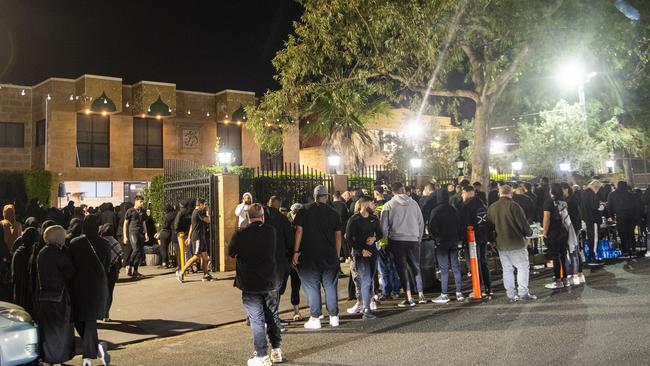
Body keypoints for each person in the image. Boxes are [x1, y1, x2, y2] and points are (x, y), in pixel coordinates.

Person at [229, 203, 283, 366]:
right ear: (263, 216)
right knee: (272, 315)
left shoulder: (240, 234)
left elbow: (232, 252)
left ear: (247, 217)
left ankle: (261, 355)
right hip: (270, 280)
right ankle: (276, 350)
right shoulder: (271, 232)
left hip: (250, 282)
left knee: (257, 319)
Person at [292, 185, 343, 329]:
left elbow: (299, 231)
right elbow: (338, 236)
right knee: (330, 285)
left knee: (312, 286)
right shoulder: (334, 213)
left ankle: (315, 317)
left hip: (308, 255)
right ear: (326, 196)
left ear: (314, 196)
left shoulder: (303, 211)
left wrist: (295, 252)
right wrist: (337, 255)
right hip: (329, 255)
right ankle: (334, 316)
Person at [68, 215, 111, 366]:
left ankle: (89, 355)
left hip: (78, 284)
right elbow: (107, 263)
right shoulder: (105, 243)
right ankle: (95, 349)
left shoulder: (74, 242)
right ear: (98, 226)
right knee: (90, 319)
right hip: (97, 284)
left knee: (80, 318)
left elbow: (70, 264)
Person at [487, 184, 536, 303]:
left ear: (499, 193)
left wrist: (492, 241)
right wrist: (529, 232)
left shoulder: (492, 207)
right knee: (522, 267)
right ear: (511, 192)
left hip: (501, 243)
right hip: (516, 242)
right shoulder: (514, 206)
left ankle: (510, 294)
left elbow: (489, 227)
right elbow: (523, 224)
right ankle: (523, 292)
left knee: (507, 269)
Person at [380, 182, 426, 307]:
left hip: (397, 240)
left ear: (392, 191)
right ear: (402, 189)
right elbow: (421, 223)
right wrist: (418, 238)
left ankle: (409, 297)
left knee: (402, 269)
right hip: (413, 239)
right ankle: (421, 294)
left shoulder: (388, 205)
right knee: (416, 267)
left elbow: (383, 228)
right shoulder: (414, 203)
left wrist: (383, 243)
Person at [36, 225, 76, 366]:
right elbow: (70, 272)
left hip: (44, 295)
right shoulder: (59, 254)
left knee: (48, 329)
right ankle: (58, 358)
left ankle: (48, 357)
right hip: (60, 296)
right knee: (60, 329)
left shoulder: (42, 252)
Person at [345, 198, 381, 319]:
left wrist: (374, 238)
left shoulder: (374, 218)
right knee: (365, 280)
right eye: (371, 203)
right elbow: (348, 239)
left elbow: (380, 233)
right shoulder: (354, 219)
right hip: (360, 255)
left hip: (372, 253)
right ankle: (367, 309)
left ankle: (367, 304)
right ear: (363, 204)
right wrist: (361, 251)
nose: (373, 205)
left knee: (369, 280)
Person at [429, 189, 464, 303]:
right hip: (453, 241)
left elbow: (432, 227)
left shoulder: (435, 210)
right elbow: (459, 224)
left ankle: (444, 294)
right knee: (455, 267)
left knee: (444, 269)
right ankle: (459, 292)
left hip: (442, 242)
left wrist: (436, 238)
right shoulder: (453, 209)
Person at [264, 196, 294, 326]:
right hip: (278, 258)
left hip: (262, 259)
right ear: (279, 204)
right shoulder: (282, 219)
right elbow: (290, 240)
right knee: (275, 290)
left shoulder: (260, 217)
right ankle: (273, 317)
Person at [460, 186, 491, 296]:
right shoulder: (482, 204)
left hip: (472, 238)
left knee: (474, 263)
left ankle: (478, 287)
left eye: (463, 192)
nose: (461, 195)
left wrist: (463, 239)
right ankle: (487, 287)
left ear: (468, 193)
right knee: (483, 261)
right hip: (483, 237)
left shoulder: (467, 207)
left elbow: (466, 225)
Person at [543, 184, 572, 289]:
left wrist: (544, 232)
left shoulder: (549, 202)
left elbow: (547, 218)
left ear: (552, 191)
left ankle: (558, 280)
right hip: (564, 230)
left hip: (553, 231)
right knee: (563, 255)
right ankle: (565, 279)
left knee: (555, 256)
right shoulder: (564, 202)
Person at [177, 198, 212, 282]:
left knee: (205, 257)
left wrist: (188, 237)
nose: (205, 206)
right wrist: (208, 211)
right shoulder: (197, 212)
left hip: (201, 237)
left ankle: (206, 274)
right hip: (197, 238)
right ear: (200, 205)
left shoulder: (197, 213)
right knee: (196, 256)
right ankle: (181, 272)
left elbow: (192, 226)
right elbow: (208, 220)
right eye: (204, 205)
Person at [607, 181, 641, 258]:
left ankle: (624, 250)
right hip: (630, 216)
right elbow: (635, 206)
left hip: (620, 216)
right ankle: (633, 249)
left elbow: (610, 206)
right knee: (631, 233)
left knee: (622, 234)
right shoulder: (631, 195)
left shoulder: (612, 195)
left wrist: (612, 216)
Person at [561, 182, 585, 285]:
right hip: (574, 227)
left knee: (573, 250)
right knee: (574, 250)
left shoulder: (571, 200)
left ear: (566, 189)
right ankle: (579, 273)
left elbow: (574, 215)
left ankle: (576, 274)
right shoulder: (571, 199)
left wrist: (572, 229)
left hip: (573, 227)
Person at [11, 227, 39, 314]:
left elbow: (14, 272)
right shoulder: (34, 252)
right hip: (29, 286)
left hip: (20, 286)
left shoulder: (18, 252)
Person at [99, 223, 122, 322]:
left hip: (100, 270)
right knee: (109, 292)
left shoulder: (99, 241)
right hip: (112, 270)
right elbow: (119, 257)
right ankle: (106, 314)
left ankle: (98, 313)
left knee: (100, 292)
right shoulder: (115, 242)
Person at [123, 195, 149, 279]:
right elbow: (125, 223)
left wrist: (146, 233)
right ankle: (129, 265)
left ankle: (135, 271)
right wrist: (125, 236)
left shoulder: (143, 211)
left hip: (140, 232)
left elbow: (144, 223)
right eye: (140, 201)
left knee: (140, 252)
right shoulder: (130, 211)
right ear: (136, 201)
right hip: (132, 232)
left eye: (142, 202)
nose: (142, 203)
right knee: (136, 249)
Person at [580, 180, 603, 264]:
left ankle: (591, 256)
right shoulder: (591, 194)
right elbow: (595, 206)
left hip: (587, 219)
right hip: (593, 219)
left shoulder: (585, 193)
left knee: (590, 238)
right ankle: (593, 256)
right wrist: (601, 206)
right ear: (596, 187)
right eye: (599, 188)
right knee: (594, 238)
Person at [288, 203, 303, 320]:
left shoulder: (304, 227)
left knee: (296, 285)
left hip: (299, 259)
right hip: (289, 259)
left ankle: (296, 311)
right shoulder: (287, 226)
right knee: (295, 285)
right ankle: (296, 311)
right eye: (294, 213)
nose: (295, 215)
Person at [331, 191, 350, 259]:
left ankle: (336, 255)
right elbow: (347, 216)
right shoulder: (343, 204)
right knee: (342, 241)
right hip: (342, 225)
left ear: (333, 196)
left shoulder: (330, 204)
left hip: (332, 226)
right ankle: (346, 255)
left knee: (333, 241)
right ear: (339, 196)